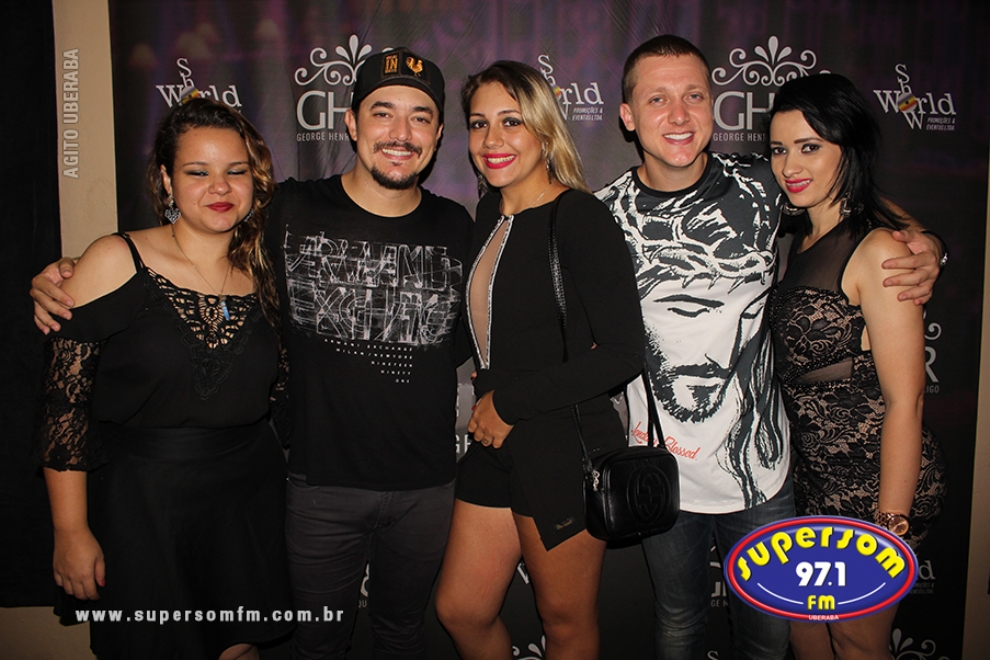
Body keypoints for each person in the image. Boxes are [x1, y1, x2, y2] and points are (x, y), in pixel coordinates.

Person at [32, 48, 473, 660]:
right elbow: (185, 238)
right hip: (309, 487)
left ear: (439, 132)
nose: (401, 132)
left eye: (420, 116)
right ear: (350, 123)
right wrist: (66, 273)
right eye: (382, 112)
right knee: (313, 644)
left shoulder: (459, 226)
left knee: (396, 635)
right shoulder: (288, 211)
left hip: (409, 485)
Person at [595, 35, 944, 659]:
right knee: (678, 623)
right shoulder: (602, 217)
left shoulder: (761, 184)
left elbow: (850, 196)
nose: (678, 115)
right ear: (627, 115)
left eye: (693, 95)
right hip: (663, 474)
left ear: (713, 105)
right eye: (657, 99)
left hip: (767, 476)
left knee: (773, 637)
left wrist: (928, 244)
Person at [35, 96, 293, 660]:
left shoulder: (265, 272)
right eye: (198, 172)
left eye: (235, 171)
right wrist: (70, 531)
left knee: (239, 650)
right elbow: (63, 411)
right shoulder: (114, 259)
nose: (219, 187)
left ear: (254, 181)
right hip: (142, 507)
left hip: (245, 501)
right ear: (167, 181)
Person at [434, 61, 644, 659]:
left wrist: (509, 403)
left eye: (511, 121)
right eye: (479, 124)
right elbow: (480, 334)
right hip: (493, 437)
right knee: (461, 609)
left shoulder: (579, 217)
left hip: (561, 441)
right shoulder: (486, 216)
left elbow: (623, 352)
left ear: (544, 129)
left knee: (565, 620)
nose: (492, 139)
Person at [767, 72, 946, 659]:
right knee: (804, 628)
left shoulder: (880, 251)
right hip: (816, 479)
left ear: (848, 147)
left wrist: (887, 528)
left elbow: (905, 401)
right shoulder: (798, 239)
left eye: (810, 146)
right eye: (779, 149)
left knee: (856, 638)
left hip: (876, 482)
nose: (791, 165)